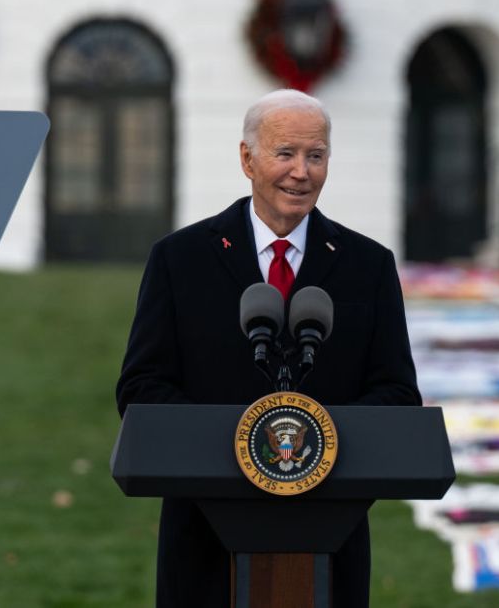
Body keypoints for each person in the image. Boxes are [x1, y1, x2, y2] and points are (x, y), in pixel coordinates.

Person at [116, 89, 420, 607]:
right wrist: (236, 443)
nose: (301, 172)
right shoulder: (180, 259)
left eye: (316, 155)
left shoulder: (368, 265)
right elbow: (142, 387)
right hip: (205, 536)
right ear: (247, 158)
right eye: (285, 153)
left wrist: (317, 442)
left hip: (330, 531)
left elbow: (395, 392)